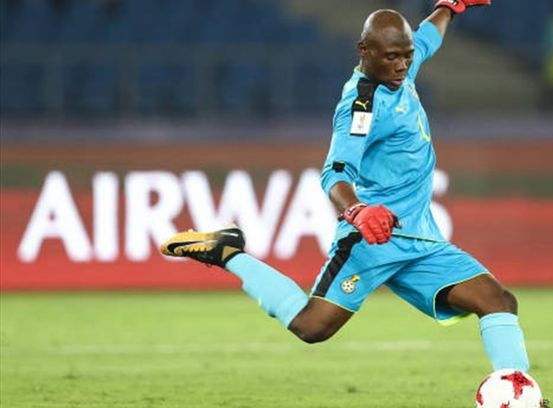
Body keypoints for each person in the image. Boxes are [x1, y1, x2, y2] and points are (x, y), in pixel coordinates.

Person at [161, 1, 531, 377]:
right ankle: (227, 252)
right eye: (393, 57)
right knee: (311, 326)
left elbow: (426, 38)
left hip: (422, 239)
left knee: (497, 301)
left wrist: (448, 7)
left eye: (406, 55)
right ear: (364, 51)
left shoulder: (402, 67)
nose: (402, 65)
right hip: (375, 237)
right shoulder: (361, 106)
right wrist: (357, 210)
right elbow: (334, 173)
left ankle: (518, 392)